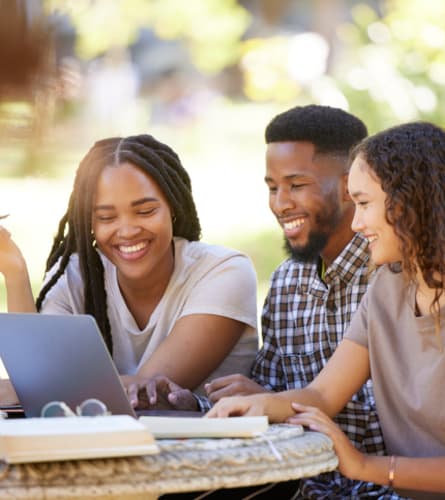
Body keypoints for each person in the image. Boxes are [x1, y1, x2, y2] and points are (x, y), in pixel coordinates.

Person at [207, 121, 445, 500]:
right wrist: (258, 406)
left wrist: (366, 466)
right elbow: (324, 395)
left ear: (411, 202)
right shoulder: (388, 287)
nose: (357, 222)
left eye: (363, 204)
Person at [165, 105, 402, 498]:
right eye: (272, 188)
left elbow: (389, 416)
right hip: (300, 485)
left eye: (296, 184)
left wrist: (275, 403)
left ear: (349, 186)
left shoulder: (394, 276)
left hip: (385, 486)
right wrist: (192, 404)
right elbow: (268, 393)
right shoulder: (286, 282)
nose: (280, 203)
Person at [0, 133, 259, 407]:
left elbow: (147, 391)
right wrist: (14, 272)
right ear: (89, 222)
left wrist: (28, 389)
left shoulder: (224, 272)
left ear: (172, 206)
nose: (127, 231)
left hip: (213, 447)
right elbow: (37, 373)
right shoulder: (74, 276)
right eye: (106, 217)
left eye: (145, 211)